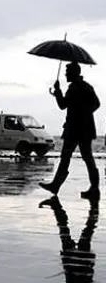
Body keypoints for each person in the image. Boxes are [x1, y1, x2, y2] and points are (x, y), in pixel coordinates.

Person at [40, 61, 101, 199]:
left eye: (67, 72)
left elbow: (62, 105)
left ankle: (56, 185)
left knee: (65, 158)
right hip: (86, 129)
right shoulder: (87, 87)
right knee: (88, 158)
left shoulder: (73, 88)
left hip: (74, 129)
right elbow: (97, 104)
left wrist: (57, 91)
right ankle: (95, 189)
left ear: (73, 73)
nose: (65, 74)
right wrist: (86, 114)